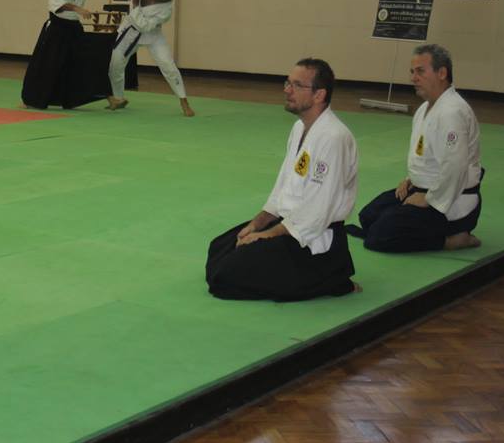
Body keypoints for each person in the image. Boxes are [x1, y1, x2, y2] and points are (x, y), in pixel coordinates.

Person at [205, 58, 360, 301]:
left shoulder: (333, 138)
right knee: (220, 248)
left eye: (297, 85)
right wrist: (256, 225)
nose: (287, 90)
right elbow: (282, 188)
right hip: (289, 223)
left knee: (225, 276)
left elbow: (318, 210)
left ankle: (331, 277)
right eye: (287, 83)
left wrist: (268, 235)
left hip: (311, 237)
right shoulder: (299, 128)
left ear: (319, 94)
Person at [345, 44, 483, 252]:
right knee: (369, 216)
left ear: (442, 73)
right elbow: (427, 156)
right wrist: (412, 179)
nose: (413, 78)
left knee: (378, 238)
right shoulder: (424, 109)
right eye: (412, 72)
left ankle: (453, 239)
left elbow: (455, 166)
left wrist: (429, 199)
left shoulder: (452, 112)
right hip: (423, 188)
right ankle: (412, 225)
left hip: (452, 200)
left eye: (420, 71)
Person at [21, 0, 131, 109]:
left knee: (90, 61)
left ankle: (111, 98)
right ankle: (32, 99)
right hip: (57, 29)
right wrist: (77, 8)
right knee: (47, 66)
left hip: (74, 28)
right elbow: (56, 2)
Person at [106, 0, 194, 116]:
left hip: (152, 35)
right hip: (130, 32)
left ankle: (183, 100)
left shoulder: (166, 10)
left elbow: (145, 27)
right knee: (116, 64)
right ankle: (118, 98)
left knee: (168, 65)